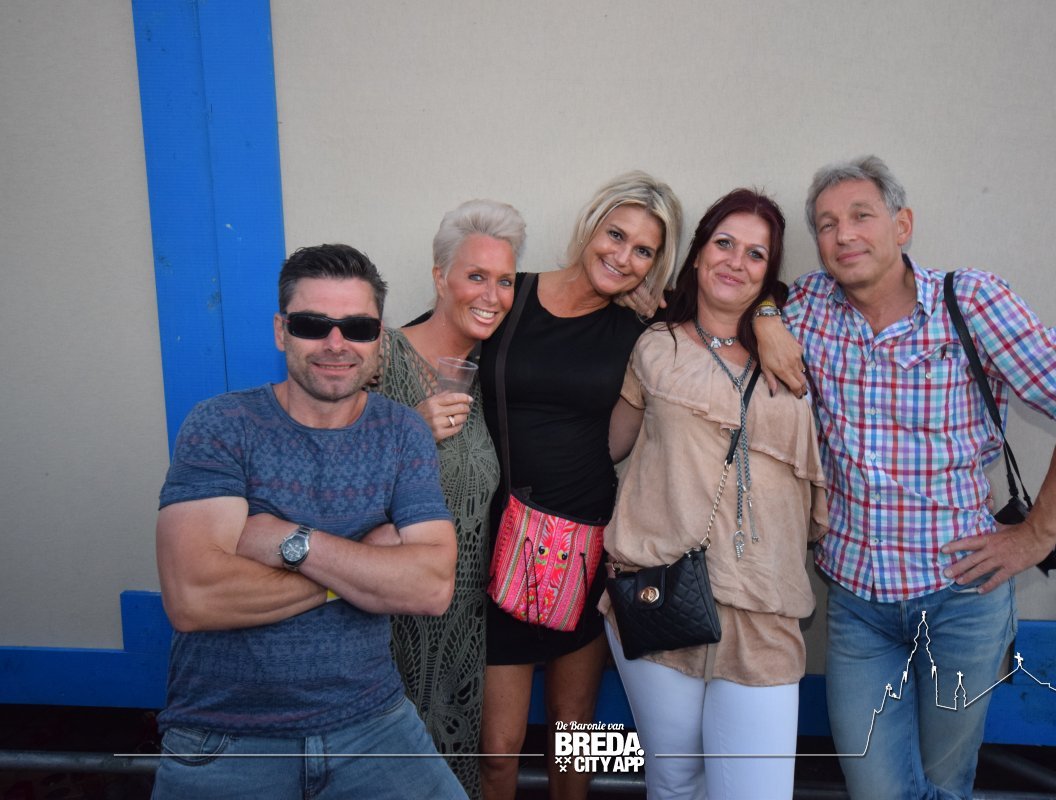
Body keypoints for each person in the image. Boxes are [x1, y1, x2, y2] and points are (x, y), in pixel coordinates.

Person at [753, 156, 1056, 799]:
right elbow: (751, 290)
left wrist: (1038, 534)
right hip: (858, 605)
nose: (844, 235)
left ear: (902, 225)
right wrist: (764, 316)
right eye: (827, 224)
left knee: (945, 782)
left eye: (861, 216)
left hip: (961, 601)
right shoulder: (809, 306)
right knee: (876, 788)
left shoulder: (970, 302)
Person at [153, 243, 466, 799]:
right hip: (226, 736)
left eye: (358, 327)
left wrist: (290, 541)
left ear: (379, 338)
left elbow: (431, 586)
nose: (336, 343)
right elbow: (194, 597)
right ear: (281, 331)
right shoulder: (222, 425)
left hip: (373, 724)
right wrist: (361, 568)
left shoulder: (401, 432)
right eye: (312, 324)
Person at [603, 189, 828, 799]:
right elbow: (609, 445)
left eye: (756, 254)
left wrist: (769, 316)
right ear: (698, 254)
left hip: (764, 604)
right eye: (724, 243)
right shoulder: (656, 345)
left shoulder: (798, 345)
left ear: (770, 272)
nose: (736, 261)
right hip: (661, 593)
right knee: (674, 782)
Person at [477, 171, 683, 800]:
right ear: (590, 227)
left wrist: (769, 317)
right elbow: (428, 343)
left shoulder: (641, 327)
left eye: (643, 250)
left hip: (589, 543)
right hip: (500, 541)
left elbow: (738, 296)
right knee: (497, 751)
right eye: (615, 235)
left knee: (575, 739)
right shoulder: (513, 292)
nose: (623, 257)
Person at [373, 200, 525, 799]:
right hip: (387, 619)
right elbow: (329, 475)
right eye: (475, 276)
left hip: (463, 624)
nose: (492, 294)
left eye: (505, 281)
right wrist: (410, 427)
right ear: (440, 278)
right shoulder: (381, 357)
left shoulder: (489, 373)